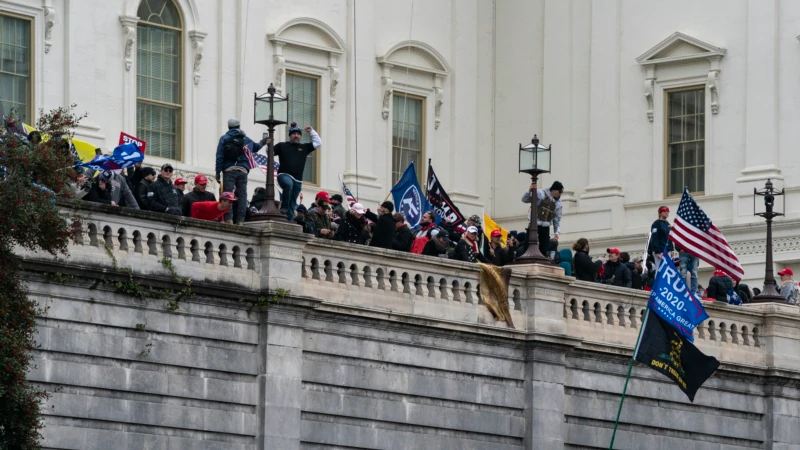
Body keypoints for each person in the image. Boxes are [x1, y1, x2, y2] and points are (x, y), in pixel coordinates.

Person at [215, 118, 267, 224]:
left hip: (229, 170)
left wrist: (217, 172)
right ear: (239, 126)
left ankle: (228, 218)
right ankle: (240, 220)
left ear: (229, 127)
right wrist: (263, 141)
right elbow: (256, 147)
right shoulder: (245, 139)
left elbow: (219, 156)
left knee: (228, 194)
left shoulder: (224, 138)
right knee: (243, 195)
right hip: (243, 170)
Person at [275, 122, 322, 220]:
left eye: (298, 134)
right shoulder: (282, 146)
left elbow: (318, 143)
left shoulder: (304, 147)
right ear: (290, 135)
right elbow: (270, 152)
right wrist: (268, 143)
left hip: (298, 179)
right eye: (294, 134)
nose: (296, 136)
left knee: (293, 201)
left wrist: (312, 132)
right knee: (288, 185)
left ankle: (289, 220)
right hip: (284, 175)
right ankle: (284, 207)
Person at [522, 180, 563, 256]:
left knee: (544, 248)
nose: (560, 194)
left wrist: (556, 232)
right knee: (528, 245)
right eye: (559, 192)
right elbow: (524, 199)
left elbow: (556, 219)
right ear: (554, 190)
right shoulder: (540, 194)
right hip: (534, 224)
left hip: (545, 226)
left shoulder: (558, 204)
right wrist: (529, 191)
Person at [648, 206, 674, 270]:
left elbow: (670, 237)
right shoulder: (656, 224)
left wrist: (672, 249)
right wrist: (657, 251)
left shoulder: (667, 224)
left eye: (668, 211)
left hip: (667, 250)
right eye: (664, 211)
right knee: (660, 269)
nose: (666, 212)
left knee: (668, 269)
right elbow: (654, 238)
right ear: (660, 213)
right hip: (660, 250)